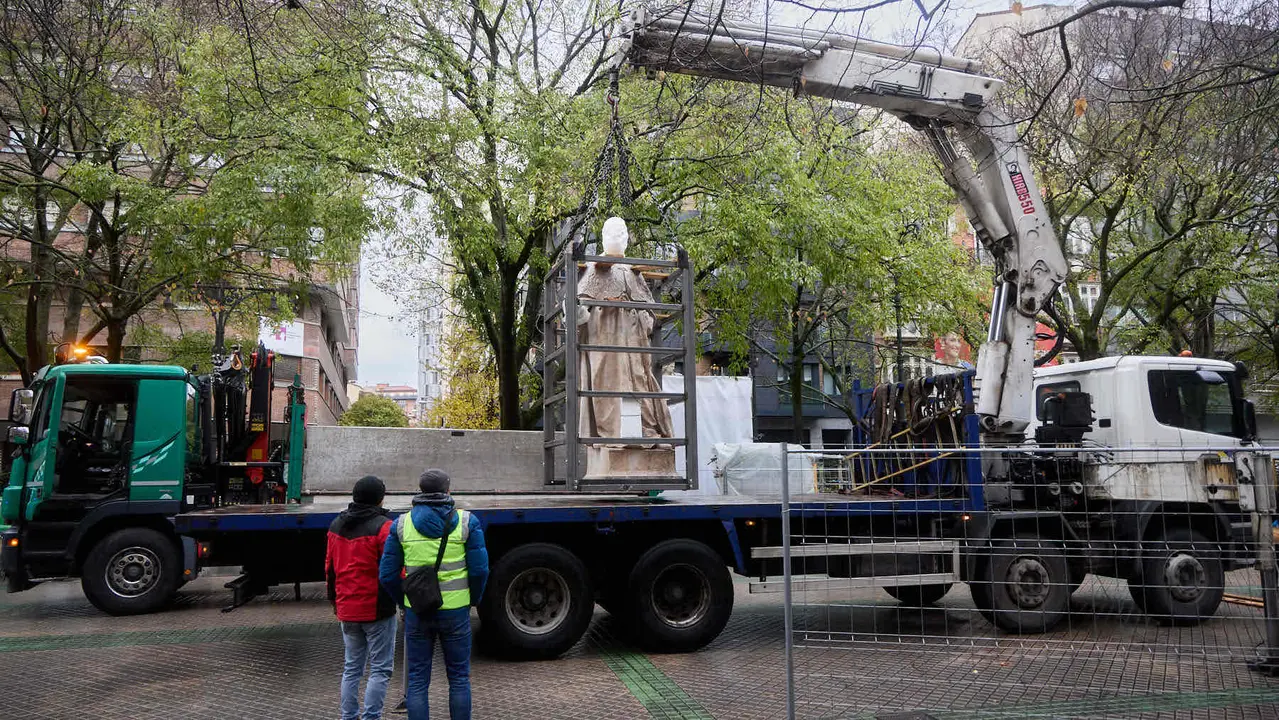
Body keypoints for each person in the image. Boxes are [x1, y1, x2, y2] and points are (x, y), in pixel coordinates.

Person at [380, 468, 489, 720]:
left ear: (421, 491)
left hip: (418, 611)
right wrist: (473, 598)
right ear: (448, 490)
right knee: (459, 678)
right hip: (456, 612)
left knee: (417, 681)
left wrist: (405, 602)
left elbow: (387, 575)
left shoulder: (401, 525)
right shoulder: (466, 522)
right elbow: (480, 570)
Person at [327, 475, 398, 720]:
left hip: (347, 608)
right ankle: (371, 717)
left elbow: (330, 568)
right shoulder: (383, 527)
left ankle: (348, 716)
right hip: (376, 609)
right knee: (380, 669)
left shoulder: (336, 525)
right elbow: (392, 569)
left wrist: (335, 601)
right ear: (379, 498)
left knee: (352, 668)